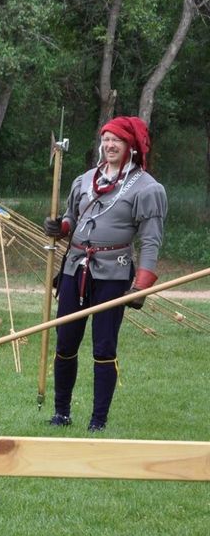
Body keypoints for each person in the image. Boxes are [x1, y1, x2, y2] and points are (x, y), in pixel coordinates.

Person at [43, 116, 166, 432]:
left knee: (103, 346)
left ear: (131, 147)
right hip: (74, 268)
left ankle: (98, 421)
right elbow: (72, 218)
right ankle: (61, 413)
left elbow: (151, 239)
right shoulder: (84, 180)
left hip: (113, 274)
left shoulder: (147, 188)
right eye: (106, 139)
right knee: (65, 340)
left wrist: (142, 284)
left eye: (117, 141)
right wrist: (61, 227)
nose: (109, 145)